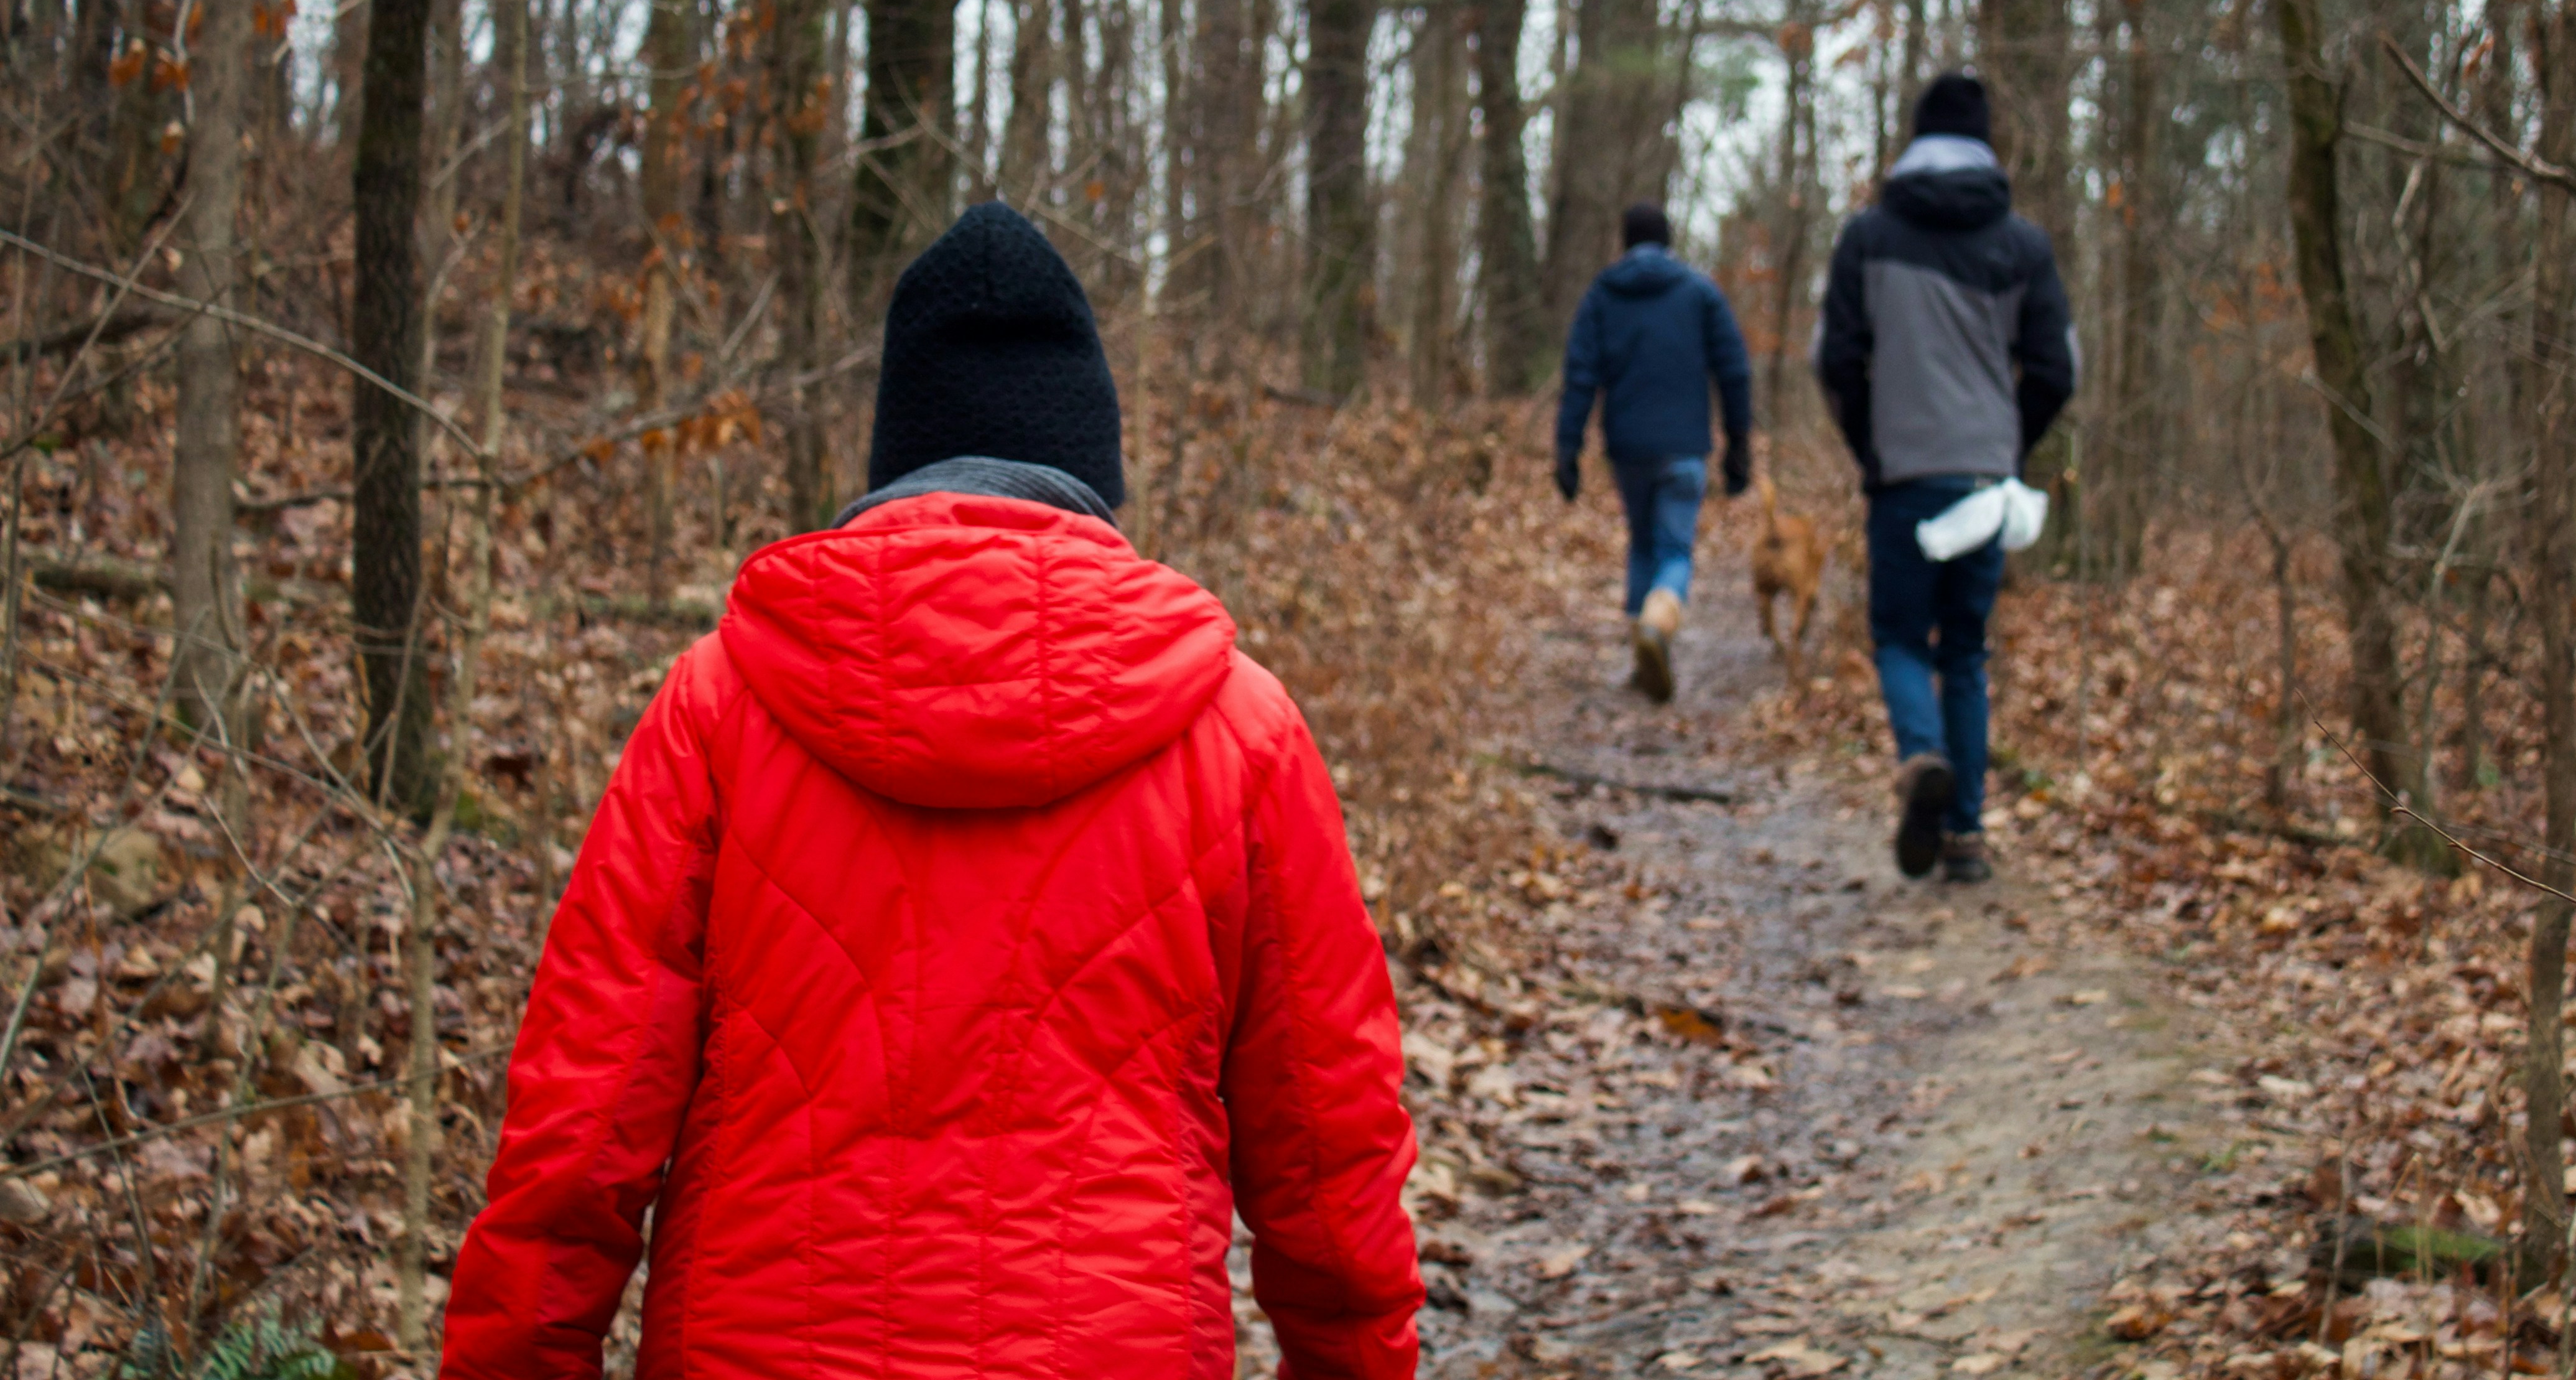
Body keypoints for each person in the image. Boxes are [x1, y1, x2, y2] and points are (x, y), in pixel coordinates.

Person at [440, 203, 1422, 1380]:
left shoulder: (717, 711)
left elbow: (576, 1136)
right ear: (1094, 472)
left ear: (892, 461)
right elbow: (1331, 1158)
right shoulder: (1240, 733)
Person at [1814, 73, 2076, 885]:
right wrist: (2008, 445)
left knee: (1898, 636)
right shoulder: (2023, 244)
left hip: (1905, 475)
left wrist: (1873, 446)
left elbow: (1835, 359)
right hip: (1985, 480)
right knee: (1965, 651)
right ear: (1986, 141)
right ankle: (1965, 835)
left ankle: (1922, 755)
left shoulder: (1868, 236)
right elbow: (2057, 369)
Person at [1555, 201, 1753, 703]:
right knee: (1674, 550)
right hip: (1685, 444)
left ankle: (1640, 655)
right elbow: (1734, 370)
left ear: (1624, 241)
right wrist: (1738, 446)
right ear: (1668, 241)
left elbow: (1580, 377)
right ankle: (1658, 626)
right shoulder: (1700, 293)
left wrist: (1568, 449)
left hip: (1628, 446)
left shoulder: (1603, 295)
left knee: (1643, 543)